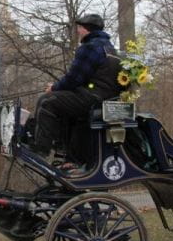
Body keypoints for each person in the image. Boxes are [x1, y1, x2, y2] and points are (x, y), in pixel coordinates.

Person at [28, 13, 121, 162]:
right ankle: (64, 150)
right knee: (59, 101)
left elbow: (74, 79)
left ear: (86, 29)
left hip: (92, 97)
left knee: (47, 101)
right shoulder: (109, 48)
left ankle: (41, 149)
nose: (77, 30)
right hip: (103, 98)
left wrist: (54, 88)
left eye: (79, 27)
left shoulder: (90, 47)